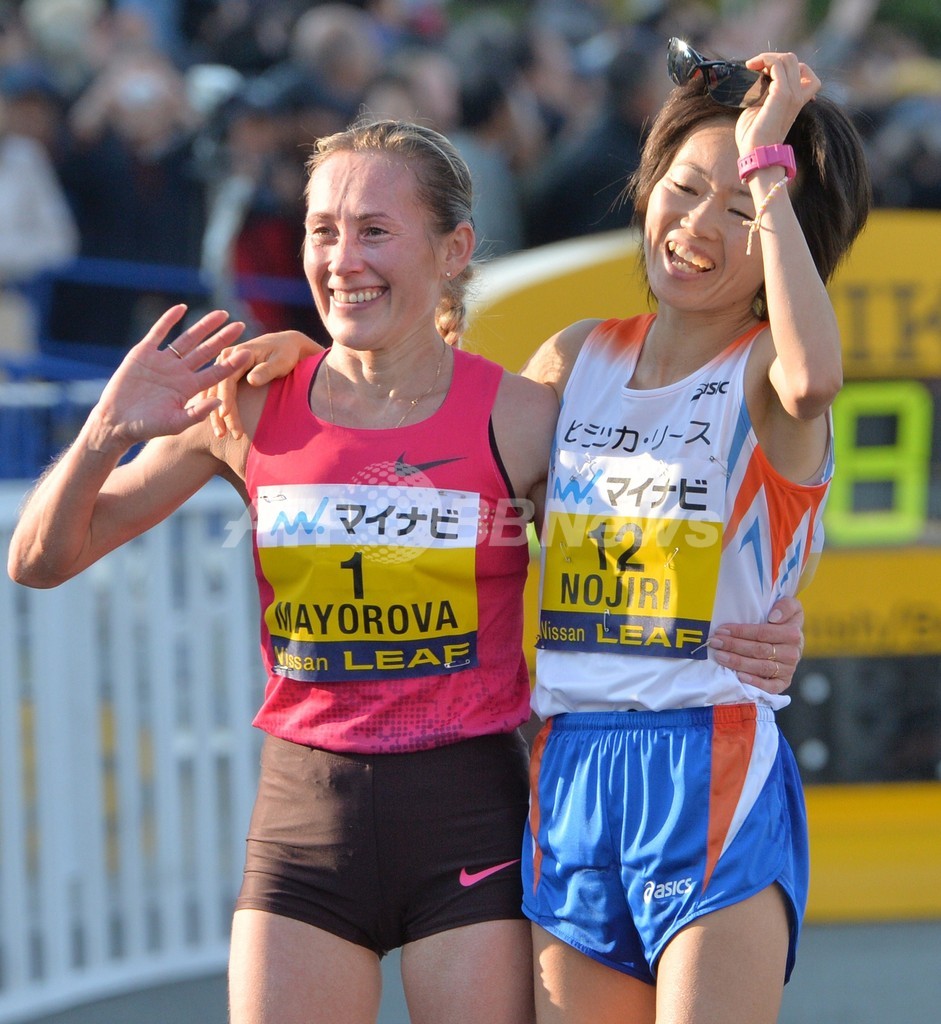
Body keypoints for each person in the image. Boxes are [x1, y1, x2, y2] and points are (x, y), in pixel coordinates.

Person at [8, 118, 805, 1024]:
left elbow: (655, 542)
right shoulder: (244, 402)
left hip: (471, 827)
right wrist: (105, 430)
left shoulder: (524, 417)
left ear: (453, 249)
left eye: (375, 230)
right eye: (322, 230)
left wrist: (776, 617)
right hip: (304, 828)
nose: (342, 258)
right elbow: (39, 560)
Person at [517, 46, 871, 1024]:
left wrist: (767, 158)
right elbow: (457, 473)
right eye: (683, 188)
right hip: (571, 768)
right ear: (646, 187)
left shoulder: (768, 375)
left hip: (706, 761)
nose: (697, 228)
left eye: (740, 209)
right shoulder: (570, 356)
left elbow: (814, 380)